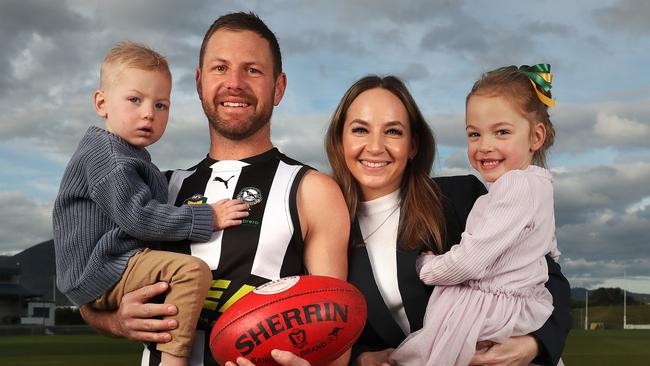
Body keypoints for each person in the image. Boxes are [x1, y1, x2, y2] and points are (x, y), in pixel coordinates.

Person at [78, 13, 350, 366]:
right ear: (199, 81)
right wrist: (116, 321)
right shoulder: (157, 187)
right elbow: (91, 287)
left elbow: (336, 336)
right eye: (220, 68)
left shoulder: (312, 190)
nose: (234, 83)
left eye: (252, 70)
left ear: (278, 87)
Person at [324, 74, 572, 366]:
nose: (376, 147)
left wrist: (534, 344)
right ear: (340, 141)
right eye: (360, 130)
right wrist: (362, 360)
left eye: (393, 131)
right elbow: (322, 329)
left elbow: (546, 275)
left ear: (413, 144)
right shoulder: (325, 225)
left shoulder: (462, 198)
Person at [53, 42, 252, 366]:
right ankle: (173, 361)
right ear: (101, 103)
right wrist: (208, 217)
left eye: (161, 105)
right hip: (105, 266)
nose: (149, 113)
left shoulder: (126, 155)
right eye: (135, 100)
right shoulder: (109, 156)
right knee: (191, 273)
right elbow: (138, 216)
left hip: (105, 266)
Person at [389, 64, 562, 366]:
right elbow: (549, 253)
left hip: (486, 314)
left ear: (536, 137)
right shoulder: (537, 187)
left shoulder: (511, 186)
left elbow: (471, 261)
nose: (485, 146)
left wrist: (426, 266)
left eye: (502, 132)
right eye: (474, 134)